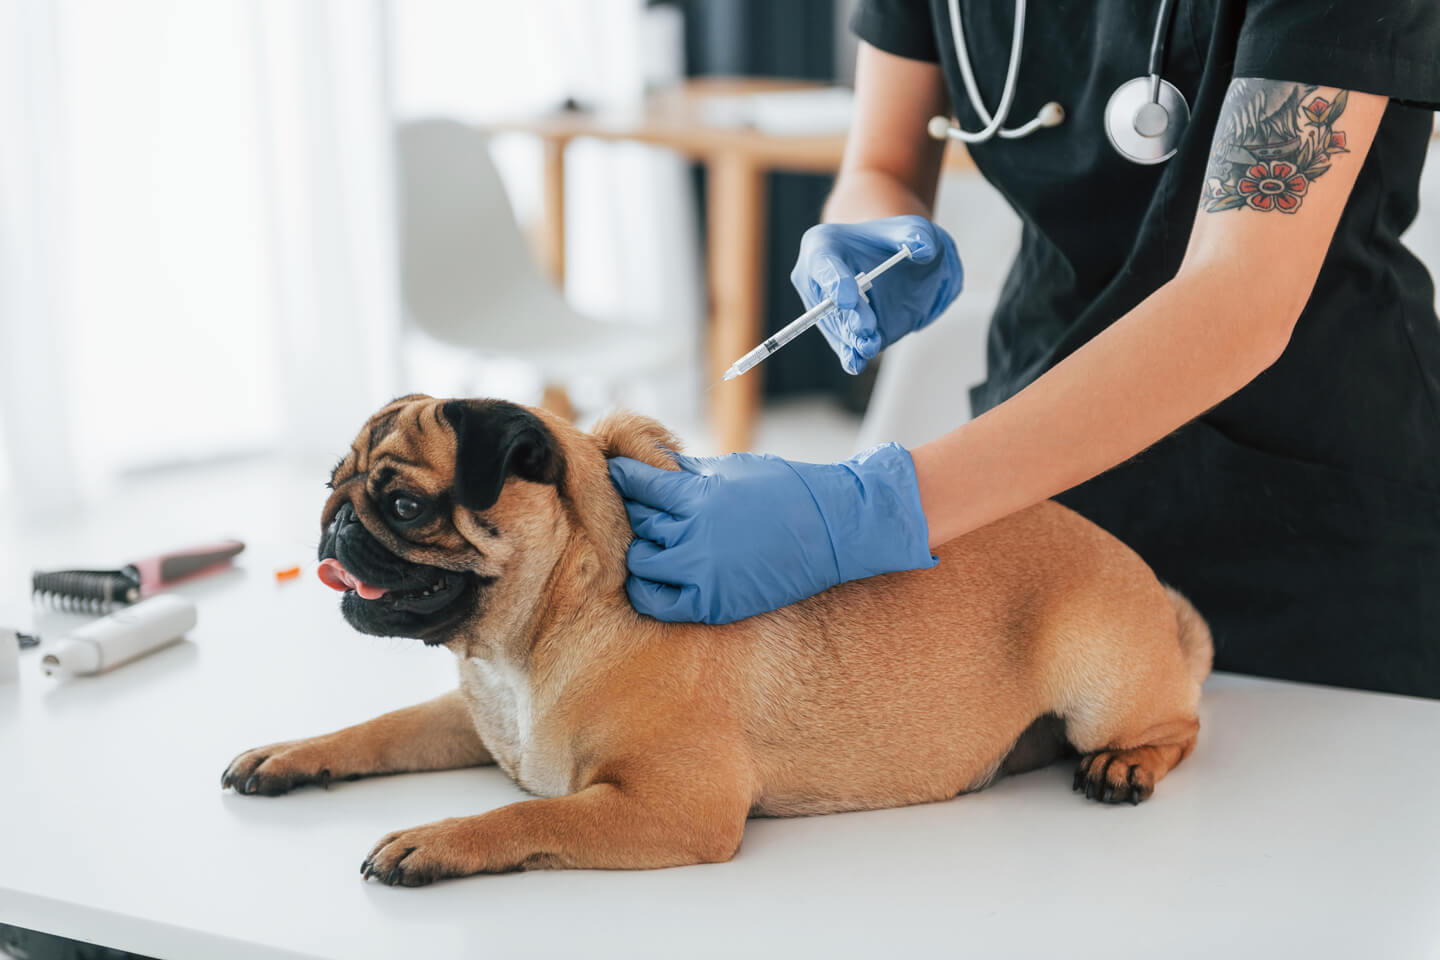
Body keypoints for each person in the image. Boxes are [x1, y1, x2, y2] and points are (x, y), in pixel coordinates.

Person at [608, 1, 1440, 699]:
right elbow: (884, 159)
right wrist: (866, 228)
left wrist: (868, 510)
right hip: (1035, 495)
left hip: (1310, 532)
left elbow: (1240, 298)